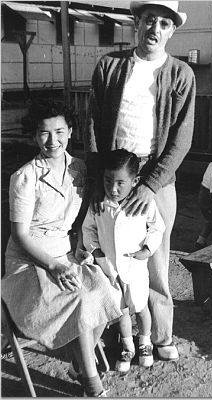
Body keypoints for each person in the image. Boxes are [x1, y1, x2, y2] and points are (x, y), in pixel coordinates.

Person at [85, 0, 196, 361]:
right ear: (137, 22)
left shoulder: (180, 74)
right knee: (109, 256)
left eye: (164, 23)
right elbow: (91, 126)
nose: (155, 29)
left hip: (157, 179)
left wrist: (151, 185)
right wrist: (97, 184)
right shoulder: (111, 66)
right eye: (149, 20)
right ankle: (117, 334)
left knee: (155, 259)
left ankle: (161, 336)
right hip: (114, 176)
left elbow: (182, 138)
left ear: (172, 30)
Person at [1, 100, 122, 397]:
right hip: (28, 263)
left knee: (106, 288)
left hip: (64, 254)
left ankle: (78, 365)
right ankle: (91, 381)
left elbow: (82, 217)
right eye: (43, 133)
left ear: (70, 132)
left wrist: (79, 250)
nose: (52, 141)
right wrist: (54, 266)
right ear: (34, 136)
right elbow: (19, 236)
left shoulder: (79, 169)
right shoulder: (25, 177)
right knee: (79, 296)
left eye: (59, 131)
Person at [81, 149, 165, 373]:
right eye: (108, 181)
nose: (114, 188)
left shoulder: (142, 203)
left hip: (135, 268)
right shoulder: (99, 203)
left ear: (135, 181)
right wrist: (96, 253)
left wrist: (147, 249)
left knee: (140, 307)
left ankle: (144, 343)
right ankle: (127, 346)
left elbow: (158, 227)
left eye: (121, 182)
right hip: (110, 269)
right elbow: (88, 230)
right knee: (122, 311)